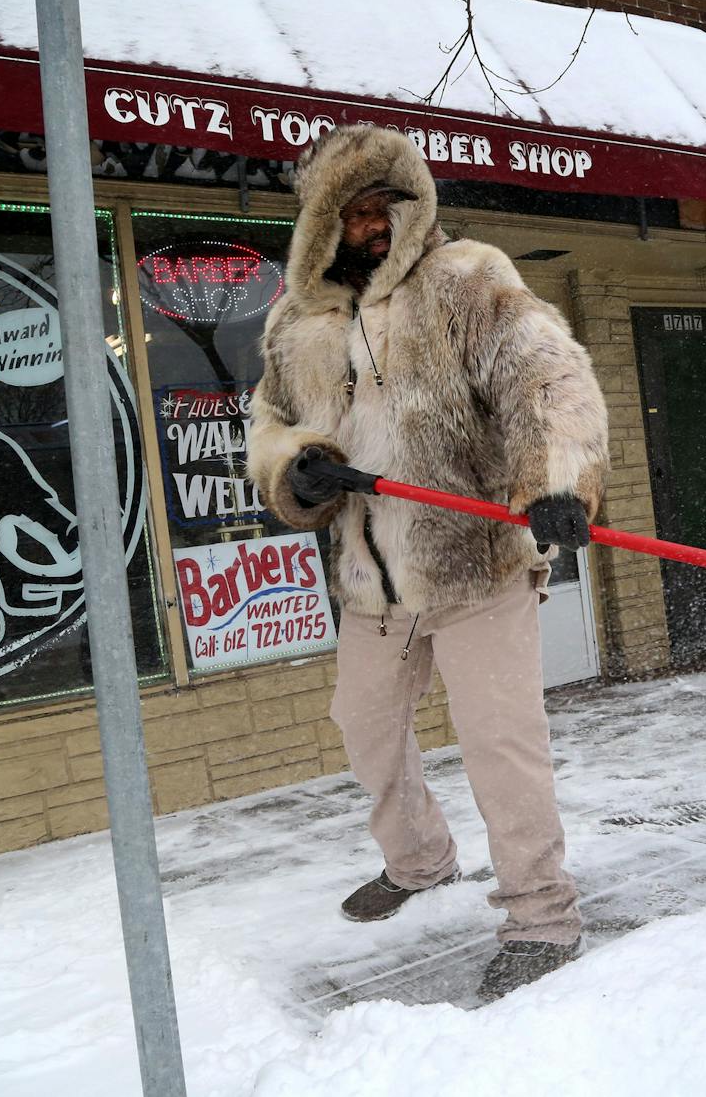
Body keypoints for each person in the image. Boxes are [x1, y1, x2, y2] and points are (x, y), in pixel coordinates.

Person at [247, 126, 609, 1001]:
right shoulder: (297, 321)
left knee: (501, 744)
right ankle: (418, 860)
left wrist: (556, 481)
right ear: (324, 222)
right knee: (364, 726)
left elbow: (551, 382)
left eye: (386, 208)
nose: (372, 225)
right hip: (372, 583)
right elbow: (266, 421)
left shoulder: (467, 279)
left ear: (412, 210)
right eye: (353, 211)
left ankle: (541, 912)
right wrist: (297, 462)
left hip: (475, 567)